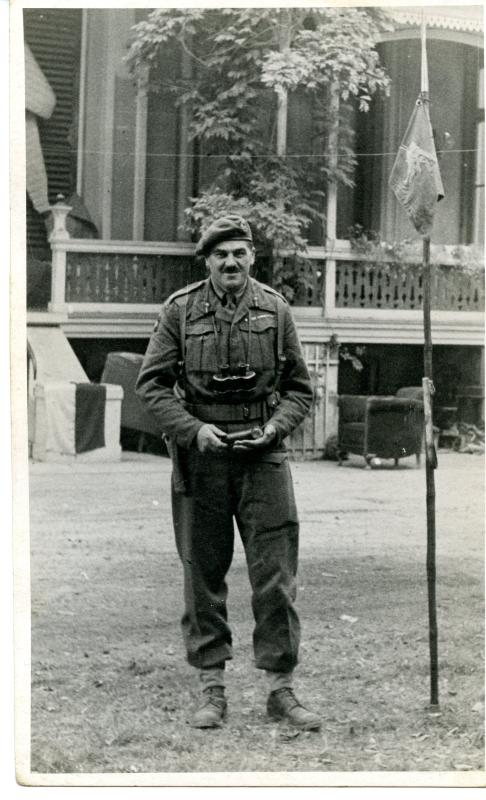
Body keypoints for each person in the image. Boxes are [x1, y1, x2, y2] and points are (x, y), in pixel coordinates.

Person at [135, 215, 321, 730]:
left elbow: (300, 390)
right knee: (202, 573)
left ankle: (280, 689)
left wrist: (275, 429)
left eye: (239, 253)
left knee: (275, 575)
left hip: (263, 456)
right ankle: (211, 689)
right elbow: (151, 385)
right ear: (207, 261)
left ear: (252, 257)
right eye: (221, 255)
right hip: (203, 458)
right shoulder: (179, 311)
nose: (231, 263)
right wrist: (194, 431)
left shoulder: (276, 309)